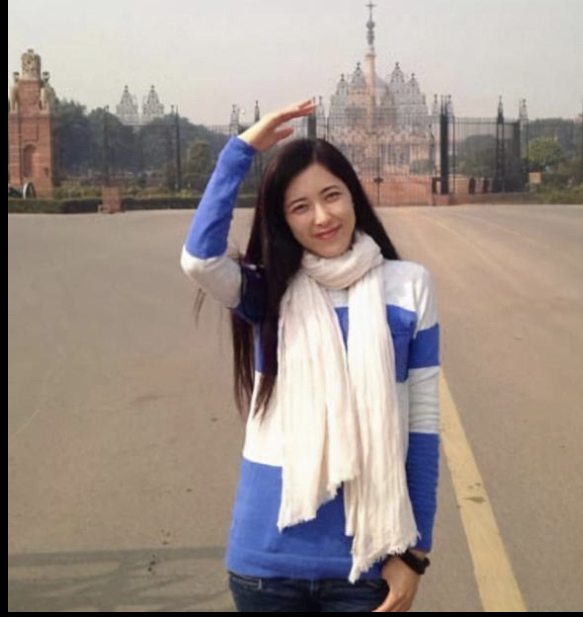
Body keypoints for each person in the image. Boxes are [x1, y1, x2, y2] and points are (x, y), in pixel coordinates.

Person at [181, 99, 440, 612]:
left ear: (353, 196)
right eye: (300, 207)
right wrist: (240, 151)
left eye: (332, 196)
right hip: (266, 564)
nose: (322, 217)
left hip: (365, 562)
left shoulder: (408, 286)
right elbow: (199, 261)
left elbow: (423, 426)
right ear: (283, 220)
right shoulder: (267, 289)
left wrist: (414, 554)